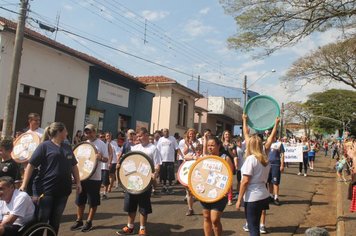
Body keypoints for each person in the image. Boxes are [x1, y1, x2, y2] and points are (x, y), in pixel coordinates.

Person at [20, 122, 81, 234]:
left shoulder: (67, 147)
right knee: (41, 219)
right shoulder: (44, 146)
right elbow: (31, 165)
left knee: (55, 221)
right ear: (59, 132)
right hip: (45, 190)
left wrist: (78, 182)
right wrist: (24, 185)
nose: (67, 133)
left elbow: (74, 166)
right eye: (65, 131)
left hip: (63, 190)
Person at [237, 114, 280, 235]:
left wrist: (239, 199)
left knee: (253, 228)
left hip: (252, 197)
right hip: (263, 195)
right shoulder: (265, 156)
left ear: (250, 145)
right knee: (255, 224)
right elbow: (271, 139)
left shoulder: (251, 159)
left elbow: (245, 182)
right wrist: (276, 124)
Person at [116, 127, 161, 236]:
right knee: (131, 204)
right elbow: (128, 161)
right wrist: (120, 165)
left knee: (143, 206)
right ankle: (130, 227)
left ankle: (142, 228)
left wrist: (155, 173)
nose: (138, 138)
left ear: (146, 135)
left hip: (145, 182)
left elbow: (157, 164)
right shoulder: (135, 148)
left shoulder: (153, 148)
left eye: (140, 136)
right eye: (137, 136)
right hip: (132, 181)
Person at [70, 124, 108, 232]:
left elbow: (106, 159)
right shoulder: (83, 144)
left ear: (95, 132)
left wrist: (101, 158)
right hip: (82, 177)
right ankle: (79, 220)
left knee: (92, 201)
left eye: (90, 132)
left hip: (95, 178)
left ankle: (89, 221)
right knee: (80, 200)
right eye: (86, 132)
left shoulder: (101, 144)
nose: (88, 134)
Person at [200, 136, 233, 236]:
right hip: (205, 193)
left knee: (214, 219)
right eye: (208, 145)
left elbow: (230, 176)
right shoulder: (204, 158)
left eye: (212, 145)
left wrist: (226, 191)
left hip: (220, 194)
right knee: (206, 217)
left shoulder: (225, 158)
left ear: (218, 146)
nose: (210, 147)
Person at [157, 128, 180, 194]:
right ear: (162, 133)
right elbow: (158, 150)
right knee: (163, 174)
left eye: (167, 131)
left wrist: (180, 155)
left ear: (168, 132)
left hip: (170, 160)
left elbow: (177, 148)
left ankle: (170, 187)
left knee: (170, 175)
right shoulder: (160, 139)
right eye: (164, 131)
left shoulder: (172, 138)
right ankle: (164, 187)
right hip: (162, 160)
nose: (166, 132)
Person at [267, 136, 285, 206]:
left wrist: (282, 165)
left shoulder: (279, 144)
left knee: (275, 182)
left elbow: (282, 155)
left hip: (276, 165)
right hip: (268, 165)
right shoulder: (267, 143)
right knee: (269, 181)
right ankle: (271, 196)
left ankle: (276, 197)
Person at [221, 130, 236, 206]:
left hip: (229, 164)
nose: (227, 135)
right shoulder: (220, 144)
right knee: (222, 180)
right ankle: (222, 196)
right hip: (221, 164)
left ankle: (230, 199)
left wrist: (229, 149)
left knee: (229, 181)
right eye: (225, 134)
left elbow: (234, 156)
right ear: (223, 136)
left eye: (228, 134)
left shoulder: (232, 144)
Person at [99, 132, 112, 200]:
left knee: (105, 181)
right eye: (100, 137)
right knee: (98, 181)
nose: (102, 138)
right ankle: (97, 193)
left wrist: (109, 162)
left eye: (103, 136)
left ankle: (104, 193)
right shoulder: (97, 144)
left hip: (105, 165)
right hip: (98, 166)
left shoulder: (107, 144)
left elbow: (110, 154)